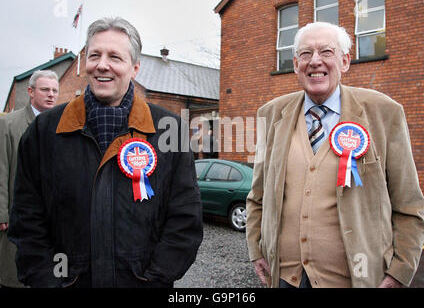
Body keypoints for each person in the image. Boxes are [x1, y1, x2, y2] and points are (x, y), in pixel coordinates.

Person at [8, 17, 203, 288]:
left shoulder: (170, 131)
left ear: (134, 68)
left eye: (115, 57)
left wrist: (154, 279)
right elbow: (27, 218)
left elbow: (184, 221)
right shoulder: (44, 130)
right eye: (94, 55)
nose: (102, 64)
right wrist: (49, 281)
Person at [246, 22, 424, 288]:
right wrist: (256, 249)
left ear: (344, 61)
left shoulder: (384, 112)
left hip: (357, 280)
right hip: (285, 278)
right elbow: (257, 194)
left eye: (326, 52)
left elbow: (409, 204)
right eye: (306, 54)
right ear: (295, 65)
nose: (315, 61)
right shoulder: (270, 114)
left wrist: (400, 271)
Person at [0, 70, 59, 288]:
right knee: (14, 274)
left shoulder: (63, 126)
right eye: (45, 90)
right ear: (31, 92)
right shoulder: (9, 125)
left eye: (54, 90)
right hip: (17, 214)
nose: (51, 95)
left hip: (51, 216)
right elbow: (1, 167)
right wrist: (2, 212)